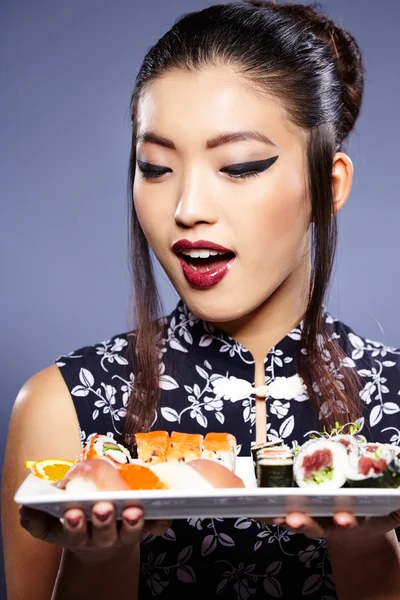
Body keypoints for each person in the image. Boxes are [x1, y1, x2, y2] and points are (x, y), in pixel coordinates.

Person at [2, 1, 400, 598]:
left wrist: (365, 548)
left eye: (239, 166)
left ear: (329, 185)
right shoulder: (59, 409)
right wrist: (102, 559)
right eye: (155, 168)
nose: (187, 208)